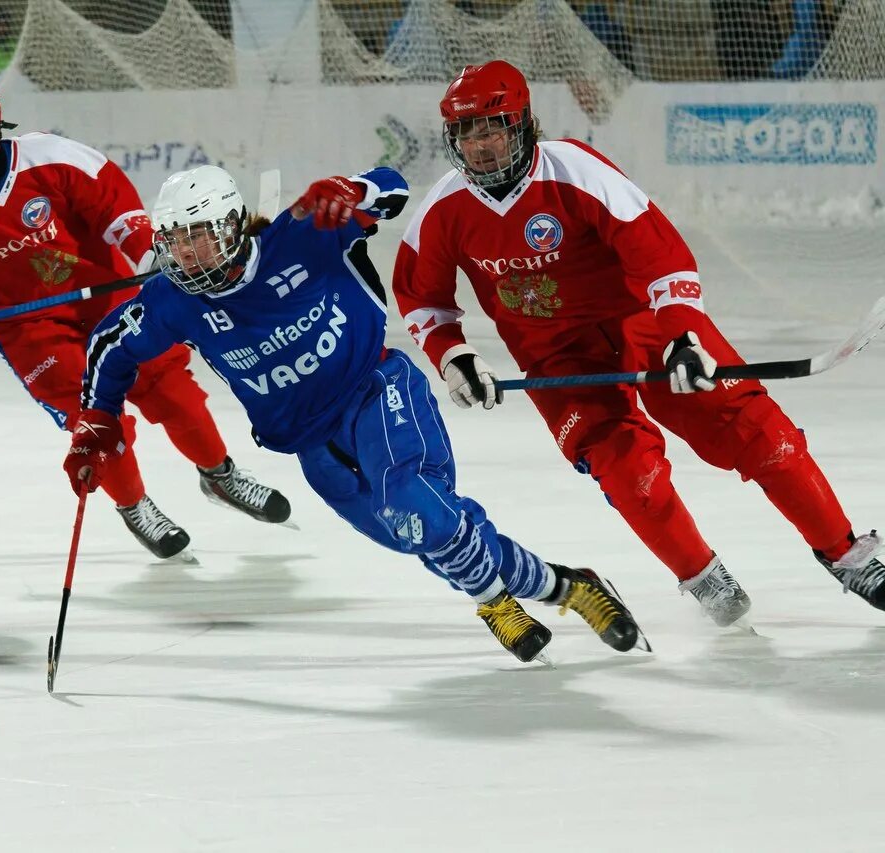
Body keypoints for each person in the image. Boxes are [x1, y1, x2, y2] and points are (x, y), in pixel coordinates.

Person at [62, 163, 647, 664]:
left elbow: (391, 190)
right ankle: (564, 585)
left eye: (200, 236)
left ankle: (495, 600)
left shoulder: (300, 235)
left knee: (413, 508)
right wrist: (96, 424)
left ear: (234, 225)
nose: (187, 252)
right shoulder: (173, 299)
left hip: (377, 390)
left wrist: (353, 190)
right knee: (414, 536)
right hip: (312, 447)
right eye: (176, 240)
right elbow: (111, 349)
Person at [392, 59, 885, 628]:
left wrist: (682, 335)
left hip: (642, 323)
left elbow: (659, 252)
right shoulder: (443, 208)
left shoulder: (573, 168)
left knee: (757, 432)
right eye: (466, 133)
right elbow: (421, 298)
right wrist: (453, 356)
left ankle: (847, 554)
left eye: (492, 126)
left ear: (524, 122)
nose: (480, 145)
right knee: (628, 475)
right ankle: (703, 577)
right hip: (556, 356)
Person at [0, 76, 289, 560]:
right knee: (97, 421)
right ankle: (134, 505)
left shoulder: (52, 158)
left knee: (170, 386)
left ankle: (221, 476)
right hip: (29, 331)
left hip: (105, 301)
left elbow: (118, 211)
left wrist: (147, 253)